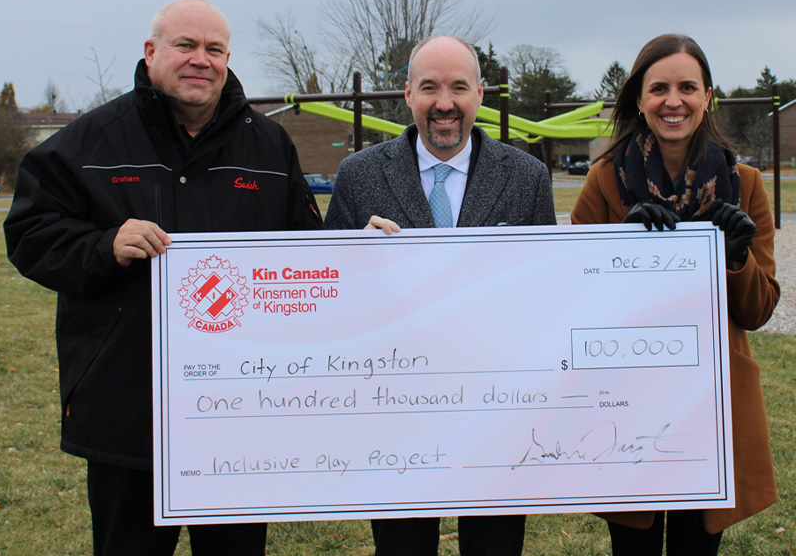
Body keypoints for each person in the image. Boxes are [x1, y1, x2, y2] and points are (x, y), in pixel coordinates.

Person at [3, 0, 321, 556]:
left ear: (227, 59)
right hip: (127, 407)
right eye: (186, 46)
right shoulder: (91, 142)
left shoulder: (269, 147)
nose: (201, 60)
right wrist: (103, 245)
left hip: (238, 410)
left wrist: (363, 252)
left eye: (214, 49)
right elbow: (28, 233)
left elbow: (306, 250)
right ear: (151, 53)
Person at [324, 35, 556, 556]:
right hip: (393, 413)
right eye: (429, 87)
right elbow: (330, 302)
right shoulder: (359, 176)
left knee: (494, 546)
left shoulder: (526, 177)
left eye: (458, 88)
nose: (444, 103)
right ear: (407, 94)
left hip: (495, 411)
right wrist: (355, 262)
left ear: (479, 95)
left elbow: (545, 299)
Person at [571, 33, 779, 555]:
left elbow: (759, 310)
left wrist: (736, 258)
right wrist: (621, 248)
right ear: (639, 100)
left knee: (696, 543)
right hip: (626, 396)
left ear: (708, 96)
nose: (673, 100)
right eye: (658, 88)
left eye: (688, 87)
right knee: (634, 544)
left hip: (713, 398)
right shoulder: (604, 183)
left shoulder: (745, 184)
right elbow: (574, 298)